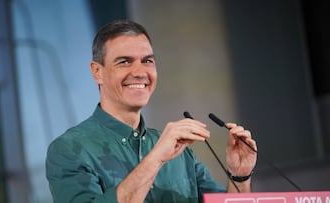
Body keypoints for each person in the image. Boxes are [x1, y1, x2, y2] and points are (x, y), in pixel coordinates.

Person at [46, 19, 257, 203]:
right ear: (97, 72)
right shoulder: (68, 149)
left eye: (147, 61)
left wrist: (239, 176)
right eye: (124, 61)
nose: (139, 72)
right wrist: (155, 158)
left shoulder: (180, 154)